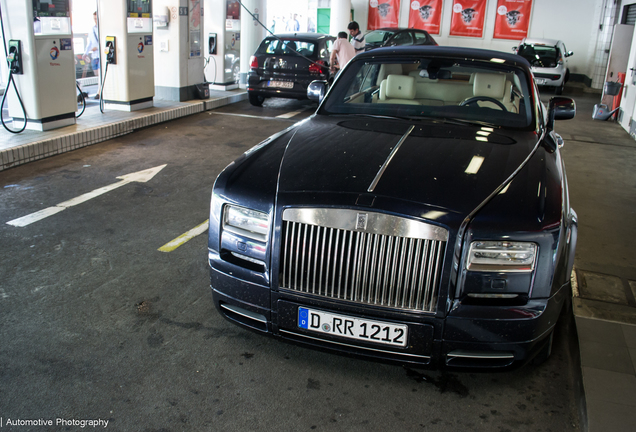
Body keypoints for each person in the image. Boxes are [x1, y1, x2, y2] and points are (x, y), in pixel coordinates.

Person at [83, 12, 100, 98]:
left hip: (101, 55)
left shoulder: (102, 29)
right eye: (94, 18)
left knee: (100, 74)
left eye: (96, 18)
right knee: (97, 74)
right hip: (94, 56)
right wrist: (85, 53)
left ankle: (99, 92)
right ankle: (100, 89)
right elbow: (89, 43)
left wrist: (97, 47)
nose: (95, 20)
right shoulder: (92, 29)